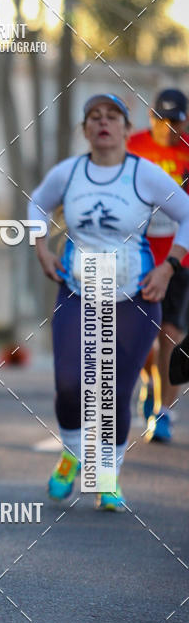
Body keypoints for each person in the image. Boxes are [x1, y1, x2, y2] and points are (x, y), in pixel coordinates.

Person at [30, 93, 189, 511]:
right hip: (78, 291)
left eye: (112, 116)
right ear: (85, 129)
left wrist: (168, 267)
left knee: (114, 391)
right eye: (95, 116)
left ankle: (106, 476)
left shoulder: (144, 173)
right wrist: (42, 249)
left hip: (134, 296)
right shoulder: (69, 173)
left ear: (125, 127)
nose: (103, 122)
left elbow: (187, 214)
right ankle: (72, 452)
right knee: (70, 384)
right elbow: (37, 203)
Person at [126, 88, 189, 442]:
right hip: (137, 255)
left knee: (171, 334)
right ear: (150, 118)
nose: (168, 128)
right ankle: (150, 381)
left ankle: (164, 413)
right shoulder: (132, 146)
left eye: (175, 121)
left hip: (180, 257)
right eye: (162, 120)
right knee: (140, 336)